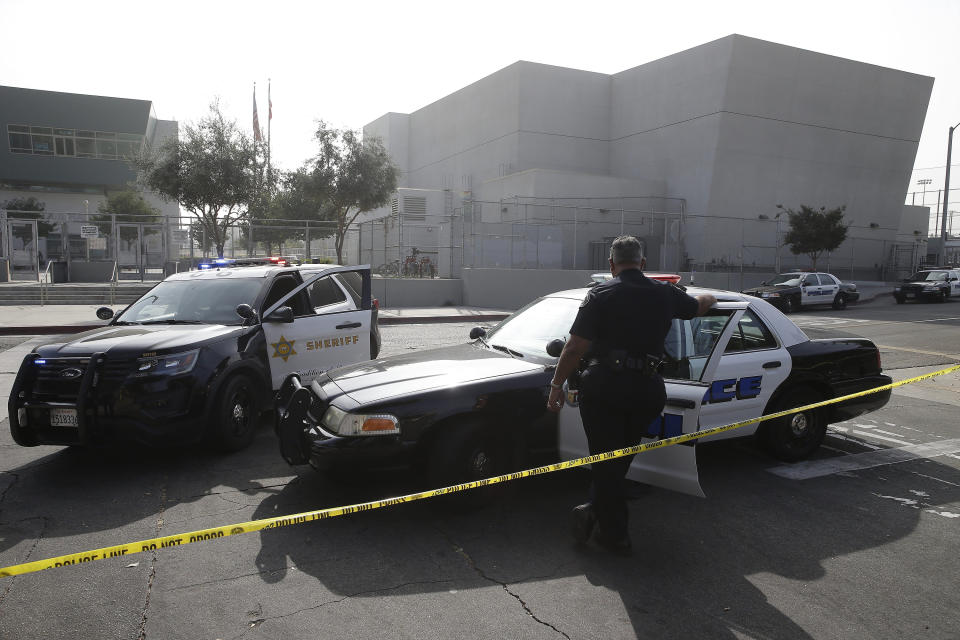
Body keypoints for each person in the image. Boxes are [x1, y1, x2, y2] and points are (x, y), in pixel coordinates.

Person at [546, 236, 716, 554]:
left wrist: (557, 386)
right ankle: (598, 512)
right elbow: (700, 306)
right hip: (646, 390)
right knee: (618, 459)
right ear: (643, 263)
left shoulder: (601, 294)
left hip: (605, 389)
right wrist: (707, 295)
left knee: (606, 461)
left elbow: (574, 348)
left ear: (611, 265)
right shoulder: (665, 294)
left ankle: (614, 535)